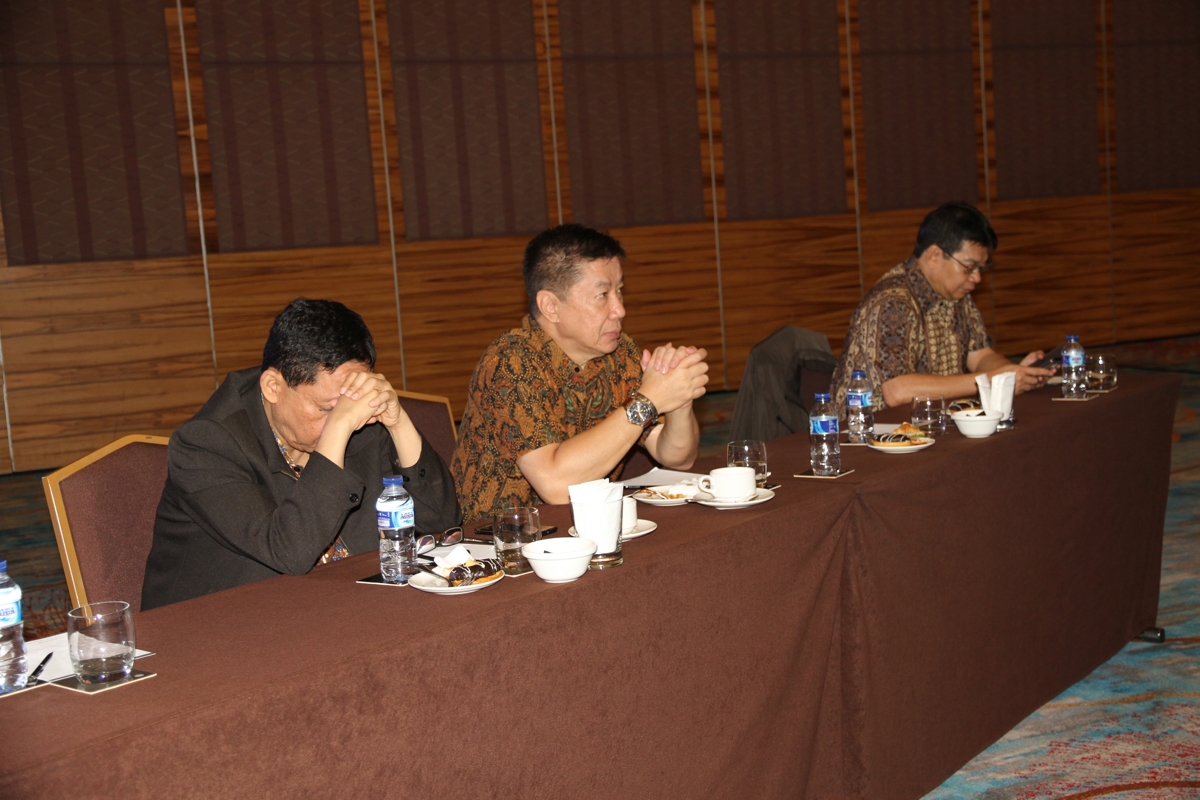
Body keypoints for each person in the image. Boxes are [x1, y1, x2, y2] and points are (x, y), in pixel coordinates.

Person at [142, 299, 460, 609]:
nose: (348, 419)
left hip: (340, 605)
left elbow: (443, 523)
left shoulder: (359, 415)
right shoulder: (206, 444)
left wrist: (398, 422)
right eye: (325, 409)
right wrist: (337, 428)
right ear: (273, 387)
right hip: (222, 625)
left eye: (347, 409)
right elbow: (291, 552)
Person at [452, 224, 710, 522]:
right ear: (551, 306)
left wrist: (678, 398)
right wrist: (648, 400)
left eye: (619, 290)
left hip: (588, 526)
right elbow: (556, 486)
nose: (619, 309)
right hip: (498, 539)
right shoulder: (510, 362)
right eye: (602, 295)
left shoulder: (620, 354)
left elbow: (677, 457)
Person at [830, 202, 1054, 410]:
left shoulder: (957, 296)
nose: (977, 278)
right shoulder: (891, 303)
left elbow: (981, 357)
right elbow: (897, 391)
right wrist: (988, 380)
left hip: (927, 423)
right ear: (934, 256)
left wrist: (1012, 375)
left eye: (981, 269)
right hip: (866, 432)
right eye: (969, 267)